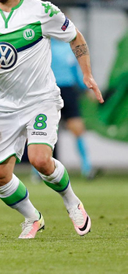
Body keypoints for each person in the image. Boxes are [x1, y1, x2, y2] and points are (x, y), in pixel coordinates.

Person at [0, 0, 104, 239]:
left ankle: (72, 202)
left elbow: (76, 37)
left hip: (41, 99)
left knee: (40, 159)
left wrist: (87, 73)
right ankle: (33, 217)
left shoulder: (43, 12)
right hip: (2, 107)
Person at [50, 38, 96, 179]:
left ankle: (86, 168)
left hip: (68, 91)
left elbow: (75, 71)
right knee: (47, 131)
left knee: (77, 128)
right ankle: (38, 171)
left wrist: (86, 88)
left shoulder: (68, 47)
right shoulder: (43, 44)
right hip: (50, 89)